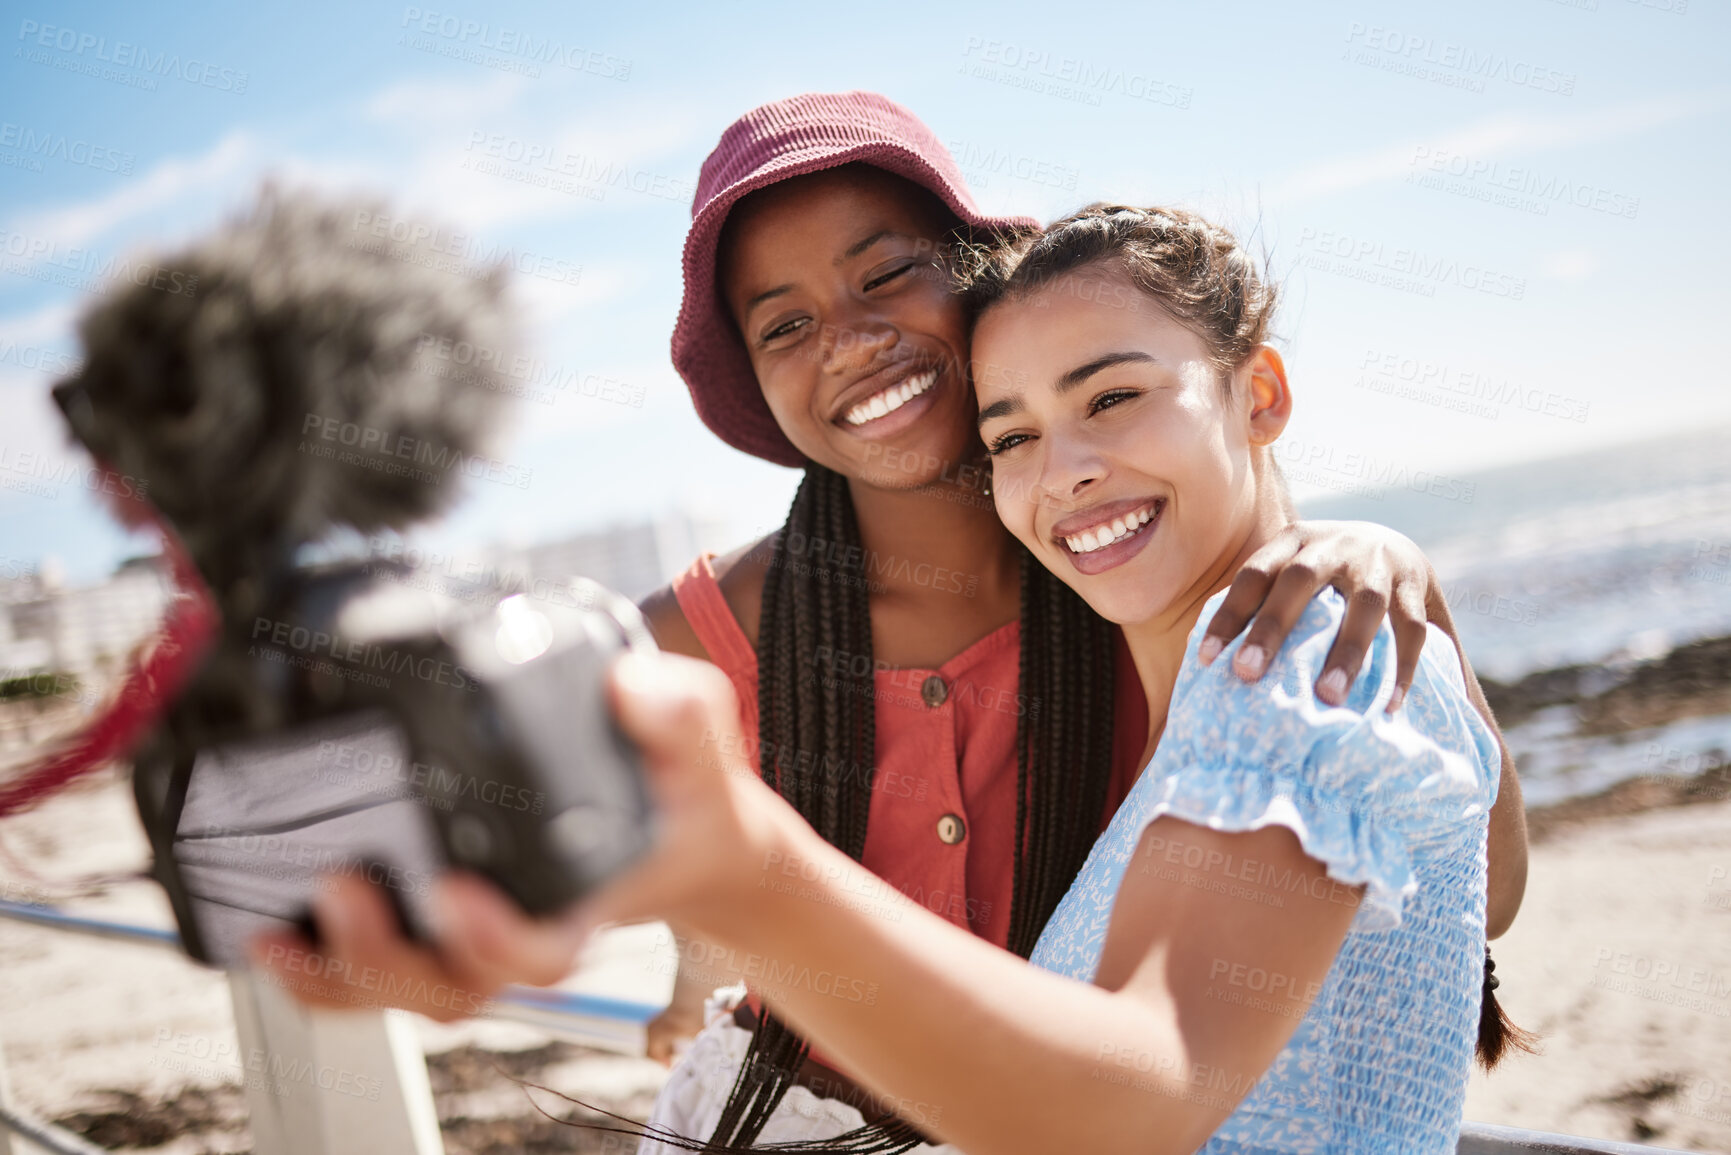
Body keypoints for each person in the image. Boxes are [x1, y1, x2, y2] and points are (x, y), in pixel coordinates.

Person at [256, 94, 1526, 1152]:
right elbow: (463, 768)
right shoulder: (763, 613)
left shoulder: (1218, 620)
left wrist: (1393, 577)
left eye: (887, 273)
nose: (856, 339)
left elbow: (1445, 876)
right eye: (789, 324)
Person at [583, 202, 1513, 1154]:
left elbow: (1135, 1110)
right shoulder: (1204, 678)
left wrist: (750, 869)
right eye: (1012, 438)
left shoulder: (1286, 665)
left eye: (1110, 398)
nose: (1064, 469)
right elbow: (1478, 871)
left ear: (1261, 394)